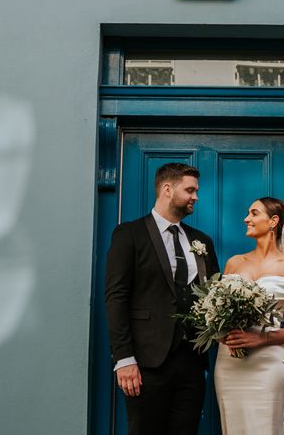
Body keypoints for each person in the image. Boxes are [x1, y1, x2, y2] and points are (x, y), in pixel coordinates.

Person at [105, 162, 219, 435]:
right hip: (145, 363)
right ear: (167, 189)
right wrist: (124, 359)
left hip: (191, 363)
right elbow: (116, 297)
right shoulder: (129, 234)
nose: (196, 197)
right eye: (190, 190)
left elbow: (215, 293)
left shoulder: (201, 240)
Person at [214, 197, 284, 435]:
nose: (246, 219)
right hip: (230, 363)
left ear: (273, 221)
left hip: (268, 364)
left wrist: (262, 338)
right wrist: (221, 335)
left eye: (254, 213)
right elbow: (216, 316)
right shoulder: (234, 263)